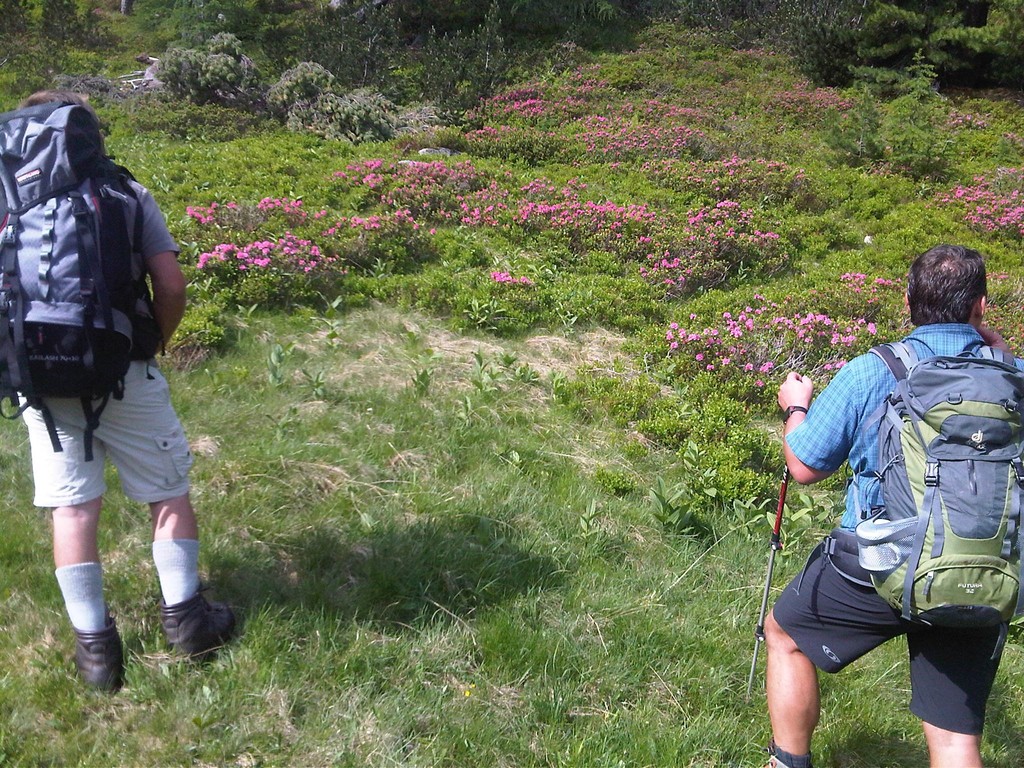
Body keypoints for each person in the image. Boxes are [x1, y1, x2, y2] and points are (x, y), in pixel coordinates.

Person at [764, 244, 1021, 768]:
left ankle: (787, 762)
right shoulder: (1015, 377)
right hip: (979, 569)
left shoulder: (872, 370)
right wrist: (1005, 356)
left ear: (908, 302)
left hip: (876, 562)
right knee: (954, 738)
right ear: (981, 305)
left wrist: (795, 408)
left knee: (784, 634)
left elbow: (805, 466)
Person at [15, 91, 235, 691]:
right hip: (123, 368)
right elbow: (171, 285)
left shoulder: (9, 199)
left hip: (42, 379)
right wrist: (153, 342)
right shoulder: (125, 193)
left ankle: (95, 654)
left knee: (72, 508)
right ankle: (188, 624)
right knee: (166, 491)